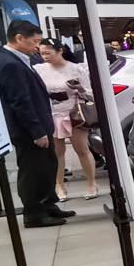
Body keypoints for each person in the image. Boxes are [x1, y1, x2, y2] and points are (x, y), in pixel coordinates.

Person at [0, 21, 73, 228]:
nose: (37, 47)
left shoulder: (19, 59)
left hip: (40, 125)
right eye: (35, 41)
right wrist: (36, 131)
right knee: (32, 170)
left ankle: (49, 206)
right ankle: (33, 213)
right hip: (28, 131)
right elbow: (20, 101)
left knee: (47, 166)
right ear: (19, 38)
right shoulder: (9, 63)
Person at [37, 39, 98, 201]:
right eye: (42, 53)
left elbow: (90, 93)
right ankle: (59, 185)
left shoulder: (76, 69)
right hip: (52, 113)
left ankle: (92, 183)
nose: (44, 56)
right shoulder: (38, 69)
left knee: (82, 149)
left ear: (60, 51)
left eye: (48, 53)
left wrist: (79, 88)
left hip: (74, 113)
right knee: (57, 152)